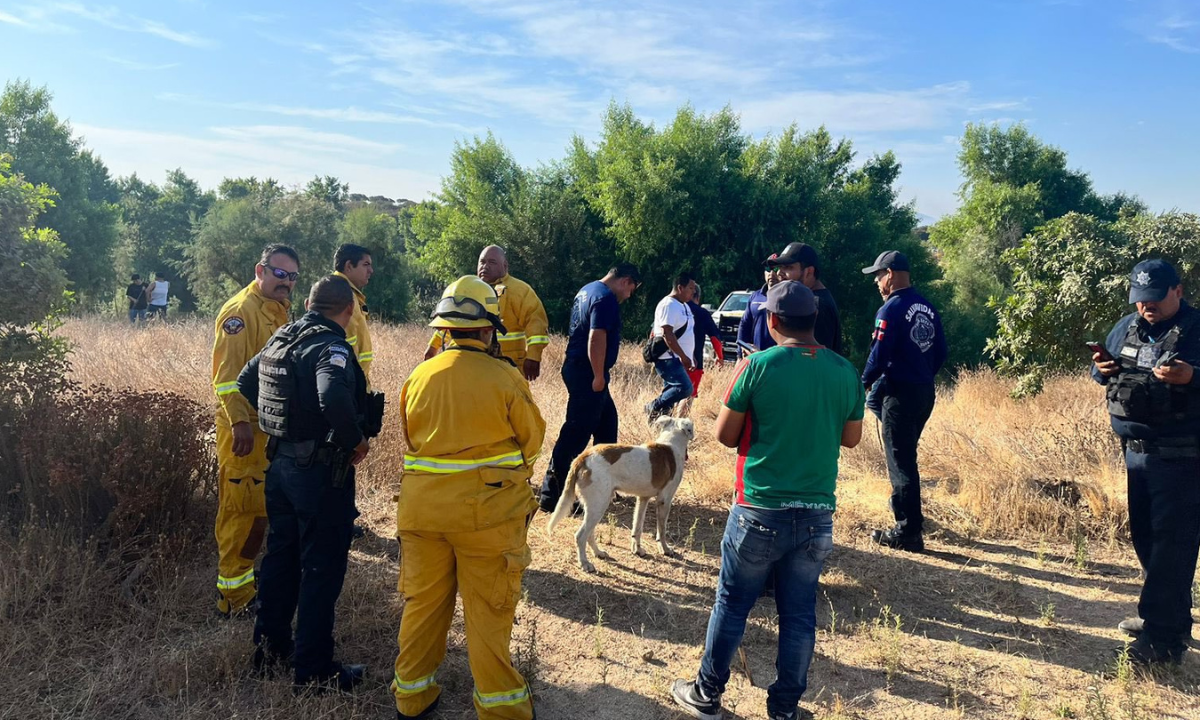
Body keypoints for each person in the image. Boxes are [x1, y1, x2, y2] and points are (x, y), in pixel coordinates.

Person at [671, 281, 864, 720]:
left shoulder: (757, 366)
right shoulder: (844, 370)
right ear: (814, 320)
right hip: (816, 516)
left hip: (758, 508)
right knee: (798, 615)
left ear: (772, 322)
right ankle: (784, 710)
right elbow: (851, 440)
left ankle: (705, 695)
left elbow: (724, 435)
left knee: (733, 604)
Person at [392, 276, 545, 720]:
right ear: (487, 330)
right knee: (488, 614)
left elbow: (412, 441)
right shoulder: (505, 377)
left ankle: (412, 697)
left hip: (421, 515)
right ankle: (501, 709)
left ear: (444, 329)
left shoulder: (418, 376)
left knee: (422, 606)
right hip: (487, 519)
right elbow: (531, 444)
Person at [236, 275, 372, 692]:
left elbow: (245, 382)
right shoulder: (331, 346)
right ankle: (313, 670)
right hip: (319, 474)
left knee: (281, 559)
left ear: (311, 303)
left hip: (280, 469)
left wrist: (287, 422)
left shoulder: (282, 337)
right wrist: (356, 440)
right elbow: (332, 397)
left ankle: (271, 649)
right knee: (320, 568)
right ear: (348, 311)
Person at [1092, 259, 1200, 666]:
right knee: (1147, 541)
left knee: (1172, 545)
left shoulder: (1196, 329)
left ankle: (1162, 640)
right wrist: (1101, 369)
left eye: (1154, 299)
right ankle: (1168, 617)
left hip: (1182, 457)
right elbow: (1102, 370)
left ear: (1178, 290)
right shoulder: (1127, 326)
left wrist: (1192, 376)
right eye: (1140, 300)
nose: (1146, 307)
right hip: (1136, 453)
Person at [210, 244, 299, 617]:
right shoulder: (239, 314)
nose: (287, 283)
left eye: (292, 277)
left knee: (260, 509)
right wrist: (240, 422)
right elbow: (226, 378)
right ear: (260, 270)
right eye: (280, 274)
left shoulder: (278, 310)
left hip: (267, 429)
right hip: (243, 431)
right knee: (240, 511)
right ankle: (232, 597)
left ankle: (246, 581)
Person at [860, 250, 946, 553]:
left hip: (901, 392)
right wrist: (921, 373)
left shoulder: (891, 309)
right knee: (905, 454)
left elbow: (879, 355)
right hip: (924, 390)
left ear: (891, 274)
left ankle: (907, 531)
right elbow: (941, 352)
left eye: (878, 275)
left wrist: (864, 381)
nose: (876, 282)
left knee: (901, 461)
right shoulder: (928, 307)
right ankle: (905, 508)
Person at [538, 262, 641, 513]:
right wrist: (597, 375)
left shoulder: (588, 290)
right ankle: (553, 496)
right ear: (626, 281)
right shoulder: (605, 298)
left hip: (578, 368)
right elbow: (596, 337)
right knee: (576, 433)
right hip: (588, 372)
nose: (629, 296)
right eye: (632, 290)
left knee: (607, 427)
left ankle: (600, 488)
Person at [425, 245, 550, 382]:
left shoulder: (520, 291)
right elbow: (454, 320)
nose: (485, 266)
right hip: (471, 362)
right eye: (482, 262)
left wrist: (534, 356)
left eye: (492, 262)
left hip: (509, 364)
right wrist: (433, 346)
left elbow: (536, 323)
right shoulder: (468, 289)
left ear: (505, 266)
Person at [765, 243, 843, 355]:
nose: (779, 273)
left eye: (788, 267)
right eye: (780, 267)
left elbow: (814, 357)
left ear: (809, 272)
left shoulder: (817, 304)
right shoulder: (809, 300)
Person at [646, 273, 698, 421]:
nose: (693, 291)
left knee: (670, 398)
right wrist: (683, 356)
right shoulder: (668, 304)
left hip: (678, 357)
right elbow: (667, 334)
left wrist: (690, 355)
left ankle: (659, 423)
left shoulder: (685, 306)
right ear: (680, 288)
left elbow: (685, 332)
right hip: (668, 357)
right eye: (690, 288)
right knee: (685, 388)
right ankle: (653, 406)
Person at [332, 244, 376, 387]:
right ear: (349, 266)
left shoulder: (346, 292)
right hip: (349, 383)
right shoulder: (341, 294)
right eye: (366, 264)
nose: (371, 270)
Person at [685, 284, 726, 406]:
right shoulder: (702, 313)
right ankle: (680, 422)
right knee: (689, 395)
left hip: (672, 360)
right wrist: (720, 357)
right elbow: (715, 339)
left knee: (673, 393)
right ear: (697, 296)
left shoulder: (675, 309)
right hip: (694, 361)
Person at [737, 254, 780, 357]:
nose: (771, 273)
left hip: (779, 359)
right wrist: (739, 354)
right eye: (768, 269)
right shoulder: (755, 297)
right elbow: (744, 325)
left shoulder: (788, 297)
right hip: (755, 357)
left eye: (776, 269)